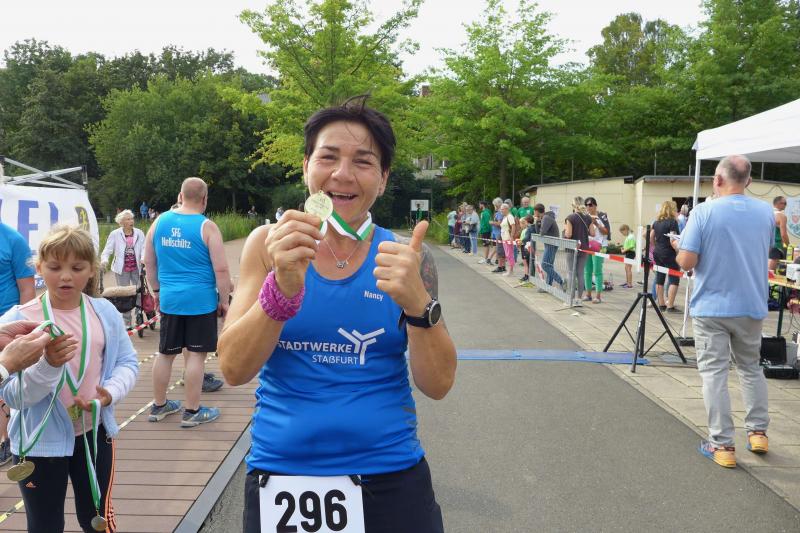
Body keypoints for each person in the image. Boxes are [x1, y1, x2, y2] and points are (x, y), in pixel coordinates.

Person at [217, 98, 455, 532]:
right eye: (328, 157)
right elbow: (233, 368)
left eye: (363, 162)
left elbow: (437, 384)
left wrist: (419, 305)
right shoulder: (268, 245)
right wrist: (281, 290)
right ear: (306, 166)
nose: (342, 174)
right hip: (284, 472)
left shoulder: (406, 257)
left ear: (383, 179)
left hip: (390, 470)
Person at [1, 225, 139, 532]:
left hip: (94, 433)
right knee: (45, 525)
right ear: (39, 268)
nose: (66, 276)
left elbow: (128, 362)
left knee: (97, 520)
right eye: (55, 267)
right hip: (38, 442)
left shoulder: (104, 312)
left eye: (77, 268)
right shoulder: (17, 320)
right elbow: (13, 397)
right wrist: (48, 365)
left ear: (91, 270)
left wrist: (110, 393)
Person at [676, 154, 772, 469]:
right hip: (751, 304)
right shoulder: (766, 212)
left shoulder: (703, 212)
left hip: (712, 306)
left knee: (714, 374)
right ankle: (758, 432)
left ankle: (722, 444)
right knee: (751, 368)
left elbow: (687, 262)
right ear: (749, 181)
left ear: (717, 180)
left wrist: (680, 249)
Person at [144, 177, 231, 427]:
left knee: (165, 354)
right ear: (204, 199)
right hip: (200, 301)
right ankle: (192, 411)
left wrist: (156, 291)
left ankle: (159, 405)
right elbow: (221, 270)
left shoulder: (159, 221)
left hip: (170, 299)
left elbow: (149, 261)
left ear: (180, 196)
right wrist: (224, 301)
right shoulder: (207, 227)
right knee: (196, 356)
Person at [0, 222, 36, 465]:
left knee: (5, 384)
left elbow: (28, 290)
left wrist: (23, 328)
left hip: (6, 324)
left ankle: (4, 440)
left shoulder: (13, 240)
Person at [100, 209, 145, 327]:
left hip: (137, 267)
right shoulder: (115, 234)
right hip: (122, 269)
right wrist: (104, 260)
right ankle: (126, 320)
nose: (131, 221)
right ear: (122, 222)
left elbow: (144, 248)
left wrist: (143, 258)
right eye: (128, 219)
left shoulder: (139, 233)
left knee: (139, 291)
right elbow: (107, 250)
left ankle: (139, 314)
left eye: (132, 218)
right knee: (124, 294)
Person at [650, 201, 681, 312]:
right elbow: (672, 239)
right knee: (674, 279)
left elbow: (651, 237)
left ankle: (661, 304)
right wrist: (678, 251)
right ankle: (670, 306)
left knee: (659, 278)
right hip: (669, 253)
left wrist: (656, 246)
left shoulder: (656, 222)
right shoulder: (672, 222)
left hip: (658, 252)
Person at [564, 197, 595, 303]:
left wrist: (564, 231)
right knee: (580, 273)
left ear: (573, 205)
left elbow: (568, 234)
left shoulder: (570, 217)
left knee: (571, 272)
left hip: (572, 247)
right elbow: (593, 233)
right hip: (584, 248)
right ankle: (579, 299)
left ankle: (571, 298)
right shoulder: (588, 218)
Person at [584, 197, 609, 304]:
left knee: (597, 271)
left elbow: (606, 232)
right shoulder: (585, 216)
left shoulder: (602, 216)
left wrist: (597, 224)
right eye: (586, 205)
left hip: (599, 246)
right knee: (587, 271)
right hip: (587, 245)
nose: (588, 207)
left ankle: (598, 296)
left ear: (595, 205)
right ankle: (588, 294)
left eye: (590, 205)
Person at [535, 203, 564, 289]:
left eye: (534, 211)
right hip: (550, 244)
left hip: (551, 244)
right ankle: (548, 286)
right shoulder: (545, 218)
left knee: (545, 265)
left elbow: (542, 232)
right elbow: (538, 232)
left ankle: (561, 281)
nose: (534, 213)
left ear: (537, 211)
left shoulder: (546, 218)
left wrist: (538, 222)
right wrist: (538, 221)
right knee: (549, 265)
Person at [769, 196, 789, 271]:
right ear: (778, 203)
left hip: (765, 245)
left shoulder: (767, 214)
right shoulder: (781, 216)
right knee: (772, 273)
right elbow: (783, 235)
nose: (785, 205)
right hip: (776, 246)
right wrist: (788, 246)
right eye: (785, 203)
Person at [499, 203, 517, 277]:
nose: (501, 210)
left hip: (508, 238)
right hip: (504, 238)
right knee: (507, 254)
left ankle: (511, 271)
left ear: (506, 209)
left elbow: (513, 226)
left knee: (509, 254)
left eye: (502, 209)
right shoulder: (505, 217)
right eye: (501, 209)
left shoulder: (510, 216)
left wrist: (511, 236)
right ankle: (510, 270)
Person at [490, 197, 505, 273]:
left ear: (497, 205)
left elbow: (499, 223)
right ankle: (503, 266)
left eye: (494, 205)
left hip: (498, 233)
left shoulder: (499, 213)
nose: (494, 206)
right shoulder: (499, 213)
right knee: (501, 250)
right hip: (497, 232)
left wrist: (492, 222)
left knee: (499, 250)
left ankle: (500, 266)